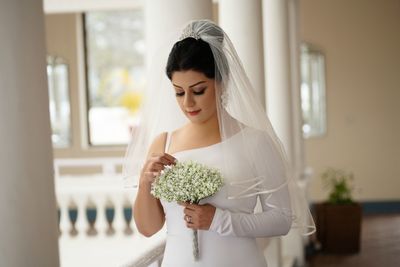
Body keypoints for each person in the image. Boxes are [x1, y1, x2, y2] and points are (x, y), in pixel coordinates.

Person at [124, 20, 315, 267]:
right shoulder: (163, 143)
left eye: (199, 90)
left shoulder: (255, 142)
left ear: (222, 81)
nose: (188, 103)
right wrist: (144, 182)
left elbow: (281, 219)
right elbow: (148, 229)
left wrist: (218, 220)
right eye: (179, 92)